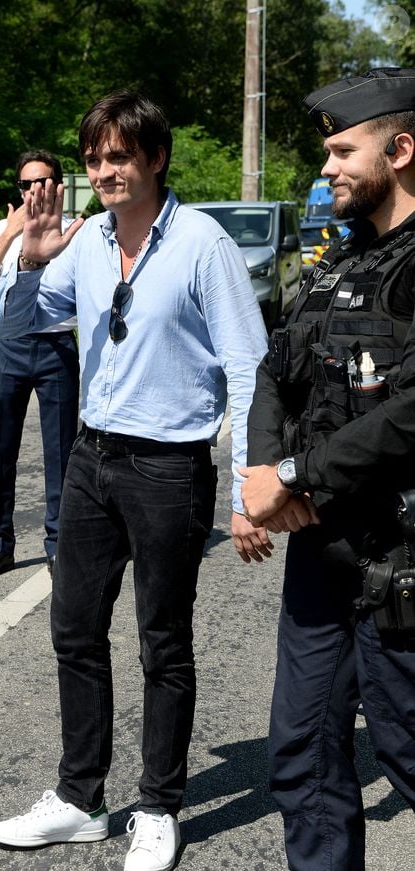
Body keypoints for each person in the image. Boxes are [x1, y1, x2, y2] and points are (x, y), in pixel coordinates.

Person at [0, 90, 269, 870]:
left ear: (154, 158)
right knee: (74, 629)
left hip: (168, 467)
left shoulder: (203, 245)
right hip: (91, 458)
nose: (105, 170)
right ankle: (81, 799)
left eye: (119, 155)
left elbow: (247, 367)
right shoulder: (84, 243)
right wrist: (30, 256)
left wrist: (250, 481)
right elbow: (18, 325)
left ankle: (158, 805)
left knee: (161, 641)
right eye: (94, 158)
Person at [240, 67, 415, 870]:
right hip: (321, 562)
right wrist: (260, 479)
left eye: (344, 150)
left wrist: (297, 477)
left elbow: (408, 416)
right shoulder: (334, 266)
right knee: (304, 756)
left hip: (402, 564)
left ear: (401, 149)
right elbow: (275, 374)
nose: (327, 167)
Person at [0, 150, 79, 579]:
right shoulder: (2, 228)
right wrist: (11, 232)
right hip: (9, 348)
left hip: (55, 349)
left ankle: (57, 544)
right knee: (2, 450)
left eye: (43, 181)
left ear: (57, 185)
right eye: (26, 184)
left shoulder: (74, 233)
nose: (34, 190)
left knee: (61, 453)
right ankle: (1, 544)